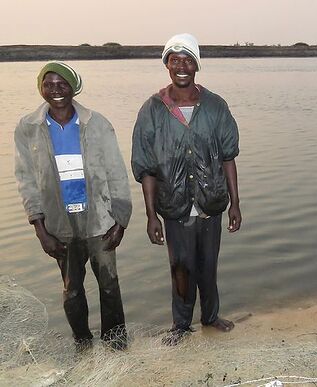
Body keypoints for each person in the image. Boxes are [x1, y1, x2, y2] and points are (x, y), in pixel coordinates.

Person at [131, 33, 241, 344]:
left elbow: (228, 157)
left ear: (197, 66)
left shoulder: (216, 106)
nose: (182, 66)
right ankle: (180, 326)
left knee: (208, 266)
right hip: (174, 206)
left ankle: (210, 317)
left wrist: (235, 203)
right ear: (167, 64)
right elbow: (147, 169)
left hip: (210, 203)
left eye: (188, 60)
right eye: (175, 60)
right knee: (180, 268)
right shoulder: (152, 110)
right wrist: (151, 216)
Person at [14, 62, 131, 351]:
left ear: (73, 87)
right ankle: (83, 343)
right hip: (59, 224)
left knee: (109, 285)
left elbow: (116, 171)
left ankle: (116, 343)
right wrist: (40, 229)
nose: (55, 90)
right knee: (72, 288)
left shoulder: (97, 123)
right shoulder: (28, 128)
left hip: (99, 220)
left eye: (62, 84)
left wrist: (121, 220)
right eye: (49, 84)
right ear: (41, 88)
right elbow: (26, 180)